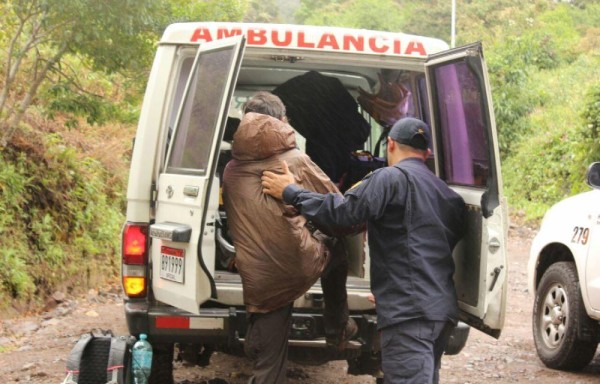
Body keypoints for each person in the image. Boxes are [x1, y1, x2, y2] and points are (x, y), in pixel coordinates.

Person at [261, 117, 467, 384]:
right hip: (441, 312)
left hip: (409, 314)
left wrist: (291, 192)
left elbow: (343, 212)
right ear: (426, 153)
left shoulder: (390, 178)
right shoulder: (447, 193)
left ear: (390, 144)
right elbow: (427, 247)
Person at [222, 91, 357, 384]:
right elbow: (338, 209)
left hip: (258, 276)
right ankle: (337, 328)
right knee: (336, 243)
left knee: (268, 367)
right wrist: (296, 194)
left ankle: (258, 337)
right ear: (283, 122)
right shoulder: (294, 160)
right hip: (298, 263)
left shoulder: (231, 169)